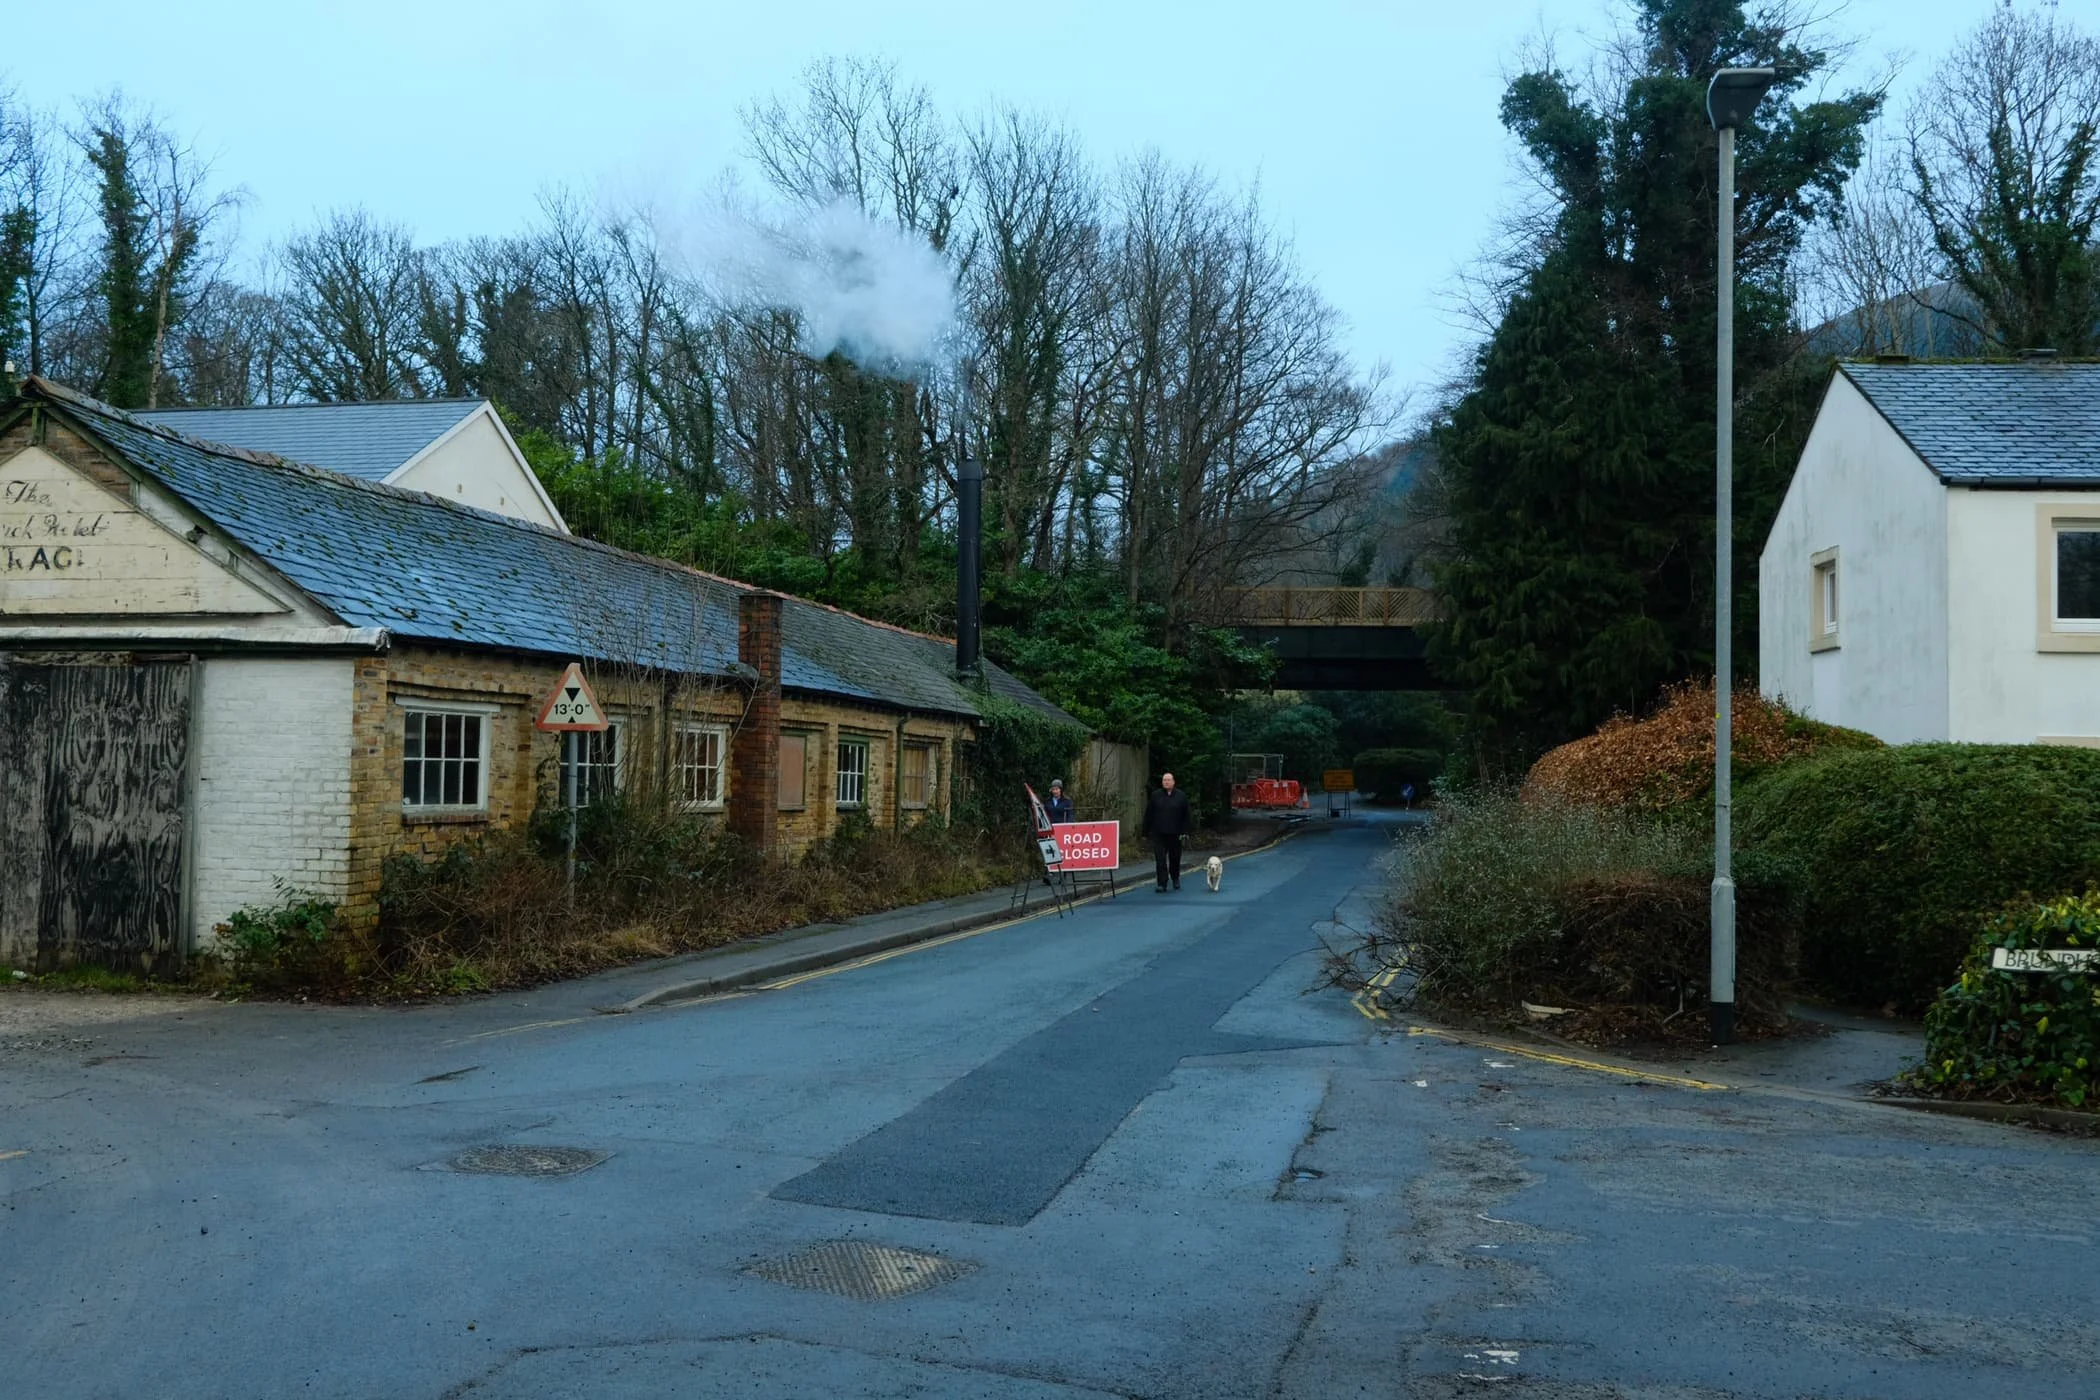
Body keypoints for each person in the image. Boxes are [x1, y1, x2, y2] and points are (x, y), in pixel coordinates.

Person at [1141, 771, 1192, 892]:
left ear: (1173, 782)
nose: (1166, 782)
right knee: (1160, 860)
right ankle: (1162, 883)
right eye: (1164, 780)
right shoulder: (1155, 796)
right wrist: (1145, 831)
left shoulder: (1181, 796)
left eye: (1168, 780)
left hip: (1175, 833)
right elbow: (1149, 814)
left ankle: (1175, 878)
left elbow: (1186, 815)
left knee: (1175, 858)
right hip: (1159, 833)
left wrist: (1185, 831)